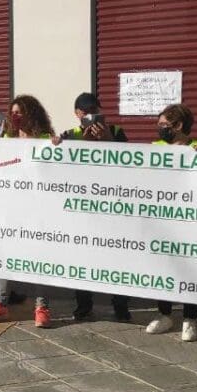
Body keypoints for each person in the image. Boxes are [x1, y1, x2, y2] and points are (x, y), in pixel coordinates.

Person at [50, 92, 132, 321]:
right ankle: (84, 305)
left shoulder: (116, 132)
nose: (90, 117)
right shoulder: (70, 136)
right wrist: (58, 144)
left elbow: (131, 162)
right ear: (77, 114)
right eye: (85, 113)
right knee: (82, 256)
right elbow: (57, 165)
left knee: (118, 257)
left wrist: (107, 140)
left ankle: (121, 305)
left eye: (95, 111)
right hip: (82, 207)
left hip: (113, 203)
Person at [0, 95, 58, 327]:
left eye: (20, 112)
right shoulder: (5, 138)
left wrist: (58, 146)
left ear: (32, 114)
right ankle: (0, 304)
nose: (15, 116)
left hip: (38, 209)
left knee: (40, 257)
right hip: (10, 208)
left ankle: (42, 307)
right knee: (4, 256)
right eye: (12, 112)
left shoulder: (45, 139)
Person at [146, 104, 197, 342]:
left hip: (190, 221)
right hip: (162, 219)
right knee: (164, 267)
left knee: (190, 269)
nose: (159, 129)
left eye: (163, 125)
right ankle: (164, 314)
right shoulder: (155, 148)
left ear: (178, 125)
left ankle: (190, 319)